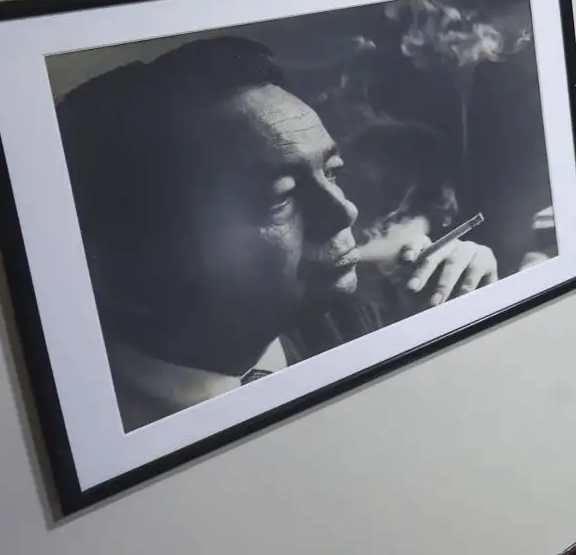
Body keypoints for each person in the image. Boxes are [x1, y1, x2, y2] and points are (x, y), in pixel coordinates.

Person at [58, 37, 499, 429]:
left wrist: (456, 336)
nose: (343, 211)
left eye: (332, 173)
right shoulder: (89, 430)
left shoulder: (367, 324)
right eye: (278, 197)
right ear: (138, 255)